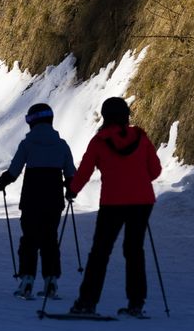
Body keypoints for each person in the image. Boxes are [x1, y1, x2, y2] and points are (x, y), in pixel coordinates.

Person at [67, 97, 162, 317]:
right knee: (134, 250)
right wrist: (138, 180)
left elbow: (85, 171)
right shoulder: (141, 137)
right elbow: (155, 170)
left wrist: (72, 190)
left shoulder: (99, 141)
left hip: (113, 203)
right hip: (142, 201)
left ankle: (87, 302)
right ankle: (136, 303)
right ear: (126, 115)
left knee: (100, 252)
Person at [0, 103, 77, 299]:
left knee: (29, 240)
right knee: (50, 239)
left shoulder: (27, 144)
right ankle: (51, 281)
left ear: (32, 122)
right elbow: (71, 174)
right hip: (54, 199)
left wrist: (2, 182)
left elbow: (14, 171)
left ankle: (27, 280)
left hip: (32, 198)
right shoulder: (62, 145)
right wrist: (70, 190)